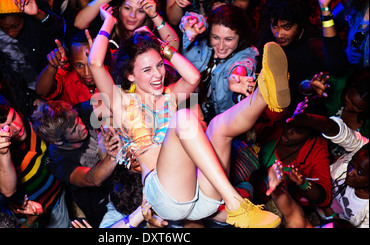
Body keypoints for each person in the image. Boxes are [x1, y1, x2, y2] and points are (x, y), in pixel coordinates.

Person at [88, 5, 291, 228]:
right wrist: (108, 21)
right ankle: (236, 203)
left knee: (218, 128)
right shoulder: (120, 101)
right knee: (184, 118)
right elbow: (95, 63)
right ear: (130, 75)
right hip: (166, 196)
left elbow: (193, 77)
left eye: (159, 66)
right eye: (147, 71)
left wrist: (162, 46)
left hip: (201, 193)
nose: (158, 75)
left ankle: (264, 93)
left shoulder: (169, 96)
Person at [0, 92, 70, 228]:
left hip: (58, 198)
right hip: (35, 218)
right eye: (6, 127)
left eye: (13, 117)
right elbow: (7, 190)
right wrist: (4, 154)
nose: (17, 128)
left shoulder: (27, 120)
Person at [31, 100, 118, 227]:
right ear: (58, 141)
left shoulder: (78, 111)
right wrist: (111, 155)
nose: (81, 127)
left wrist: (109, 123)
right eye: (73, 131)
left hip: (123, 183)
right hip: (101, 204)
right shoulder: (56, 161)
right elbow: (93, 179)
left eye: (78, 120)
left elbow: (115, 104)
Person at [284, 98, 369, 228]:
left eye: (359, 172)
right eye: (352, 163)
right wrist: (308, 119)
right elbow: (339, 131)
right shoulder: (362, 149)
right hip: (317, 205)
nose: (350, 172)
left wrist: (328, 209)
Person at [0, 0, 64, 117]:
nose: (11, 32)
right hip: (17, 96)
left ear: (23, 17)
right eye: (3, 28)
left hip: (46, 88)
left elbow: (57, 27)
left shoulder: (33, 21)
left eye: (15, 26)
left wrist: (37, 14)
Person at [180, 4, 258, 123]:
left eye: (228, 39)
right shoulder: (199, 41)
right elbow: (198, 20)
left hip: (220, 122)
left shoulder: (247, 53)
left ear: (240, 37)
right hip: (185, 109)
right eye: (215, 37)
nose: (221, 46)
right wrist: (191, 23)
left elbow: (243, 65)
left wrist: (237, 76)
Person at [76, 0, 179, 52]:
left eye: (140, 11)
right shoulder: (108, 23)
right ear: (119, 8)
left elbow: (174, 46)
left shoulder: (149, 33)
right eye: (127, 8)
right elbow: (79, 23)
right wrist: (108, 22)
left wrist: (154, 15)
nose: (132, 16)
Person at [36, 30, 102, 106]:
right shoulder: (67, 72)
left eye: (91, 64)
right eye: (79, 66)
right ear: (72, 60)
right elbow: (42, 91)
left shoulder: (115, 64)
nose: (87, 73)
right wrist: (52, 66)